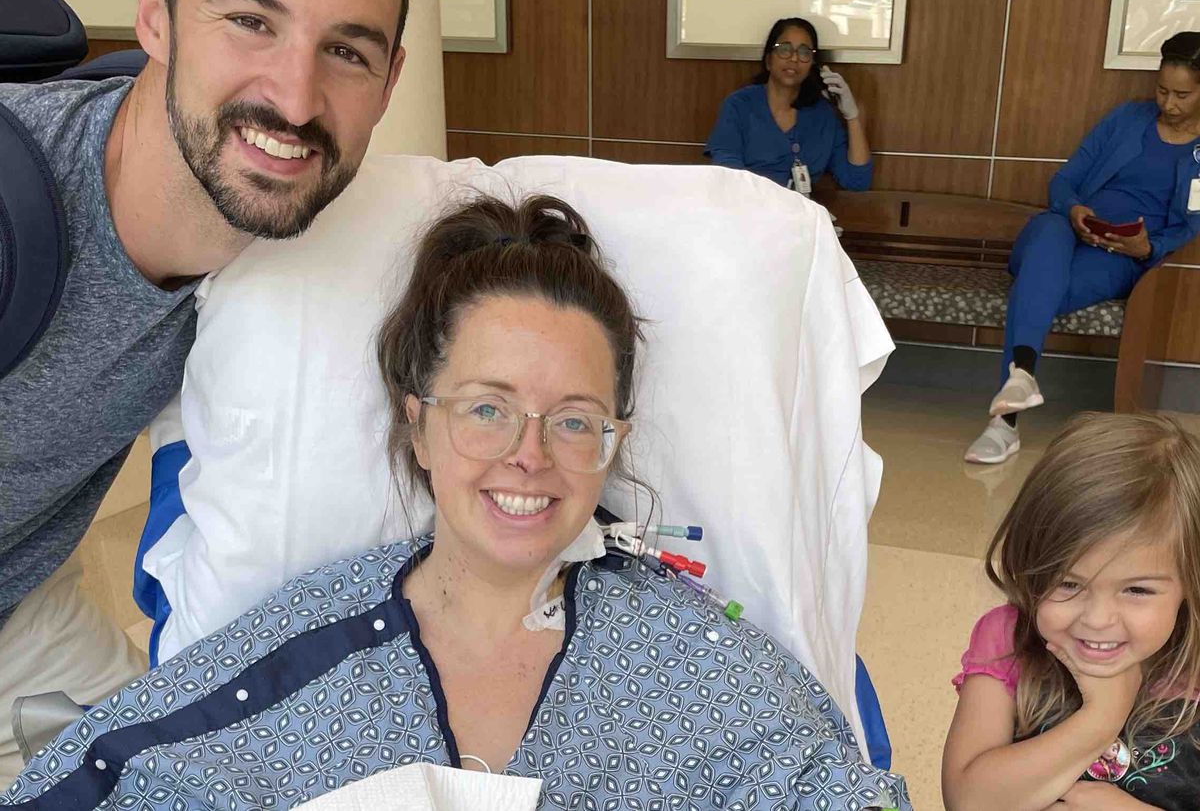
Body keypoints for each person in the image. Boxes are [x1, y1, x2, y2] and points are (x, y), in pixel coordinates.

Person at [3, 195, 911, 811]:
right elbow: (107, 776)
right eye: (486, 408)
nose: (529, 455)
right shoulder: (299, 653)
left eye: (574, 420)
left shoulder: (697, 665)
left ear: (614, 443)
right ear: (419, 425)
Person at [0, 0, 408, 786]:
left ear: (389, 84)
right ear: (155, 12)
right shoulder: (17, 208)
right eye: (251, 20)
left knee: (186, 780)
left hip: (24, 601)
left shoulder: (280, 242)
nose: (295, 101)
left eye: (347, 51)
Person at [943, 413, 1200, 811]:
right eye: (1068, 583)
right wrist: (1102, 719)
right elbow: (969, 802)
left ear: (1190, 582)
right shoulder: (1008, 640)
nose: (1097, 620)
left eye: (1137, 590)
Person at [965, 33, 1200, 465]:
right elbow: (1064, 180)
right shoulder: (1127, 119)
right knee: (1050, 236)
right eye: (1162, 90)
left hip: (1119, 258)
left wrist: (1148, 247)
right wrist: (1073, 210)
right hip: (1060, 232)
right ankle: (1009, 409)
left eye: (1182, 95)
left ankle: (1013, 399)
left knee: (1038, 287)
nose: (1168, 104)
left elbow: (1190, 227)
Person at [705, 17, 872, 193]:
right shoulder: (739, 106)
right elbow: (729, 175)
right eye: (784, 49)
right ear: (768, 60)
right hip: (749, 207)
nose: (794, 58)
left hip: (803, 209)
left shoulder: (823, 114)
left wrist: (852, 116)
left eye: (804, 52)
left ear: (812, 64)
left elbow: (857, 181)